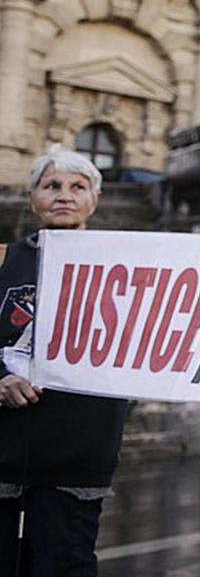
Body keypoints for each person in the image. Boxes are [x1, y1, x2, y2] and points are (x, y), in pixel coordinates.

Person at [1, 148, 129, 576]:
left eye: (78, 187)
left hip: (79, 452)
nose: (63, 196)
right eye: (51, 186)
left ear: (95, 198)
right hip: (7, 449)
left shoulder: (126, 266)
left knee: (63, 564)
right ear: (32, 196)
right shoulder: (5, 262)